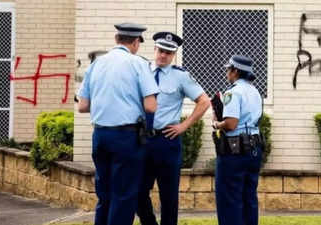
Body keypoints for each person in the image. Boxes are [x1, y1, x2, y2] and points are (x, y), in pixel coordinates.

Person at [77, 23, 159, 225]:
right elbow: (151, 106)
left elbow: (83, 106)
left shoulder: (95, 64)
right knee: (124, 195)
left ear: (116, 39)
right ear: (135, 42)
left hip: (100, 135)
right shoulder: (138, 64)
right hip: (126, 138)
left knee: (104, 194)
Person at [136, 32, 210, 225]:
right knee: (138, 191)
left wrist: (183, 126)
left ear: (174, 54)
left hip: (167, 141)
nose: (163, 55)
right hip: (142, 140)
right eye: (161, 50)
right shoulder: (140, 72)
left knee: (169, 195)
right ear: (154, 50)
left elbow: (204, 101)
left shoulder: (181, 76)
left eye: (168, 52)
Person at [212, 55, 263, 225]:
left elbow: (231, 124)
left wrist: (216, 123)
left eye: (229, 69)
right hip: (254, 149)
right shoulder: (255, 91)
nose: (227, 72)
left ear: (235, 71)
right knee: (249, 198)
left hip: (235, 152)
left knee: (229, 200)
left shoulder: (233, 92)